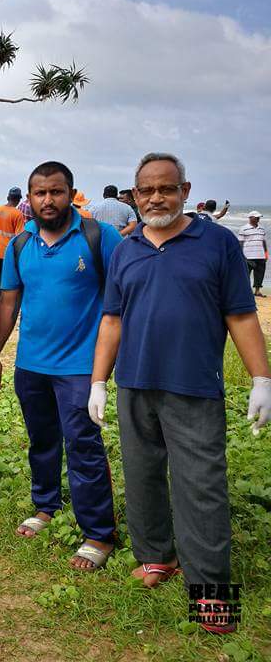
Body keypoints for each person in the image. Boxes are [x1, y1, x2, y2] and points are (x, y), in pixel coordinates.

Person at [89, 152, 271, 634]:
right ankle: (156, 557)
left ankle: (211, 589)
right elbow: (112, 320)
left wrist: (261, 379)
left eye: (165, 189)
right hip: (134, 384)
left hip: (193, 386)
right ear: (133, 196)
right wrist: (98, 381)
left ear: (185, 191)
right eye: (146, 190)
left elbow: (241, 314)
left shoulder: (217, 242)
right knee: (142, 474)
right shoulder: (126, 250)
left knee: (201, 486)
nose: (155, 198)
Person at [0, 161, 120, 571]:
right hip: (32, 364)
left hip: (81, 366)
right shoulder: (20, 245)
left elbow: (121, 301)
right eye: (40, 193)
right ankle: (46, 507)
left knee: (83, 446)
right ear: (29, 198)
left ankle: (98, 533)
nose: (48, 200)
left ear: (71, 193)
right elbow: (8, 303)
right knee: (41, 440)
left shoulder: (101, 237)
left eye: (56, 191)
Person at [0, 186, 26, 302]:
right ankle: (3, 299)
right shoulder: (18, 214)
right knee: (7, 276)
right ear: (18, 200)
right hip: (9, 252)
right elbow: (20, 236)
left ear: (8, 197)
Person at [238, 211, 267, 297]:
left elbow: (263, 241)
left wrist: (266, 253)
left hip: (260, 255)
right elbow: (240, 243)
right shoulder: (244, 228)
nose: (258, 219)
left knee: (260, 274)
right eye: (256, 217)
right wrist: (241, 255)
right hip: (248, 256)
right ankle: (245, 292)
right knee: (246, 275)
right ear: (250, 218)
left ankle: (257, 291)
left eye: (259, 217)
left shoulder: (262, 229)